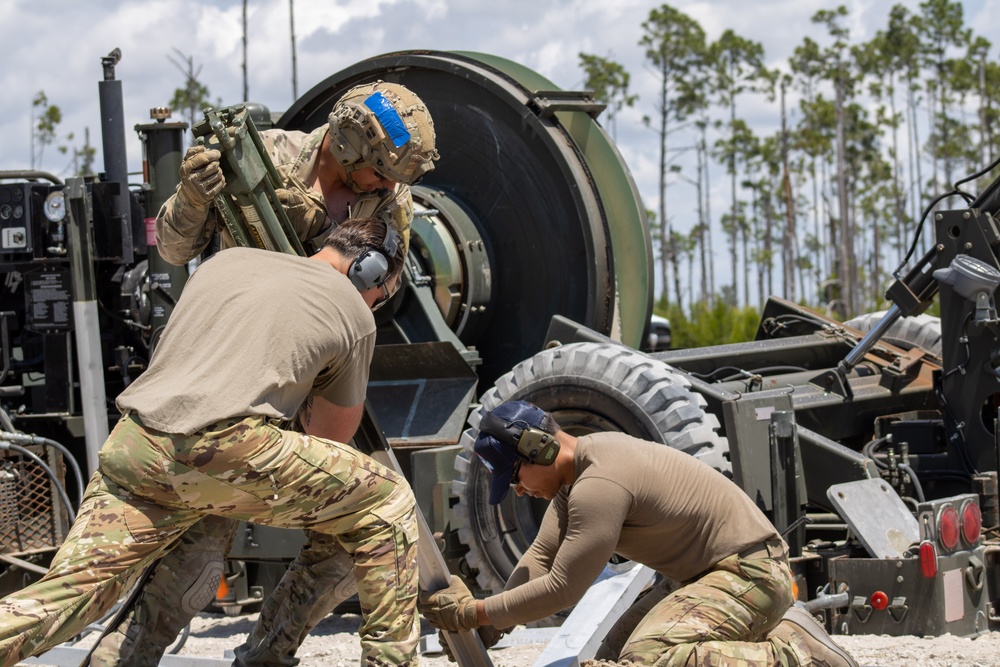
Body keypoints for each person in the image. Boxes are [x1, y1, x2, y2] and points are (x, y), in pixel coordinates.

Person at [88, 80, 440, 667]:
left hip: (314, 383)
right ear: (348, 145)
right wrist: (192, 200)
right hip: (228, 386)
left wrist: (329, 263)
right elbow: (175, 250)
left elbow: (385, 282)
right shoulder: (263, 157)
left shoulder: (388, 199)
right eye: (381, 174)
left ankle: (268, 654)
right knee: (193, 552)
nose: (389, 187)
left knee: (350, 535)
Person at [0, 217, 418, 667]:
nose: (376, 303)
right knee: (385, 502)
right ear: (371, 272)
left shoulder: (226, 262)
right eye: (384, 292)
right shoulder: (353, 313)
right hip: (224, 449)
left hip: (137, 443)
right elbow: (330, 437)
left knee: (68, 597)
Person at [419, 399, 860, 667]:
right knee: (607, 658)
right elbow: (539, 559)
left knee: (644, 661)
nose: (519, 490)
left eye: (516, 477)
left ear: (539, 448)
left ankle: (796, 654)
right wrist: (498, 622)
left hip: (749, 573)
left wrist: (476, 613)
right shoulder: (580, 474)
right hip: (710, 575)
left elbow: (563, 587)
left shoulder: (599, 486)